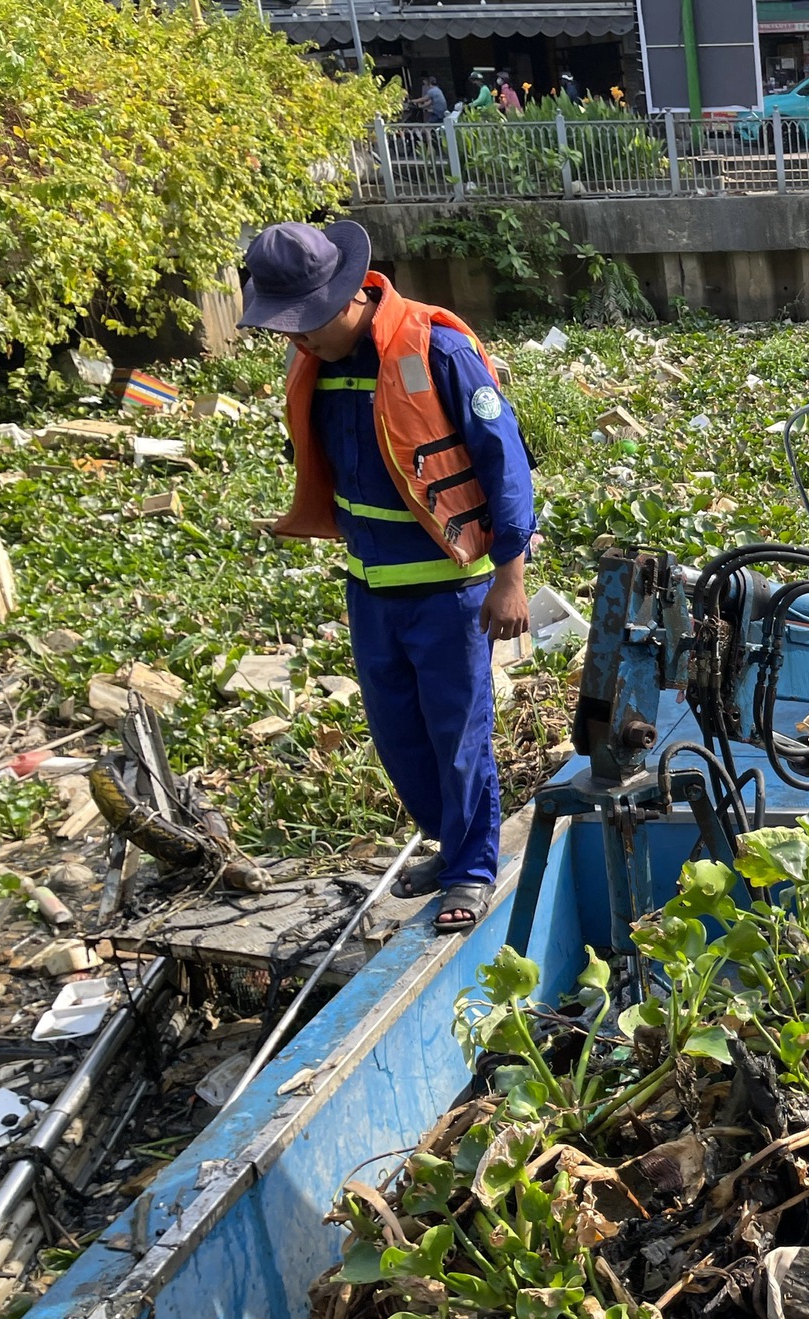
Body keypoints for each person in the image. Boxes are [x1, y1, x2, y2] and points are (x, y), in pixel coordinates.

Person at [237, 221, 534, 933]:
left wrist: (510, 578)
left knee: (458, 737)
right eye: (285, 329)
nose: (296, 341)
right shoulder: (319, 363)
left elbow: (506, 466)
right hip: (370, 589)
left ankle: (470, 869)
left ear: (343, 298)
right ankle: (446, 840)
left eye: (304, 324)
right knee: (399, 736)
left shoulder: (438, 350)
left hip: (447, 593)